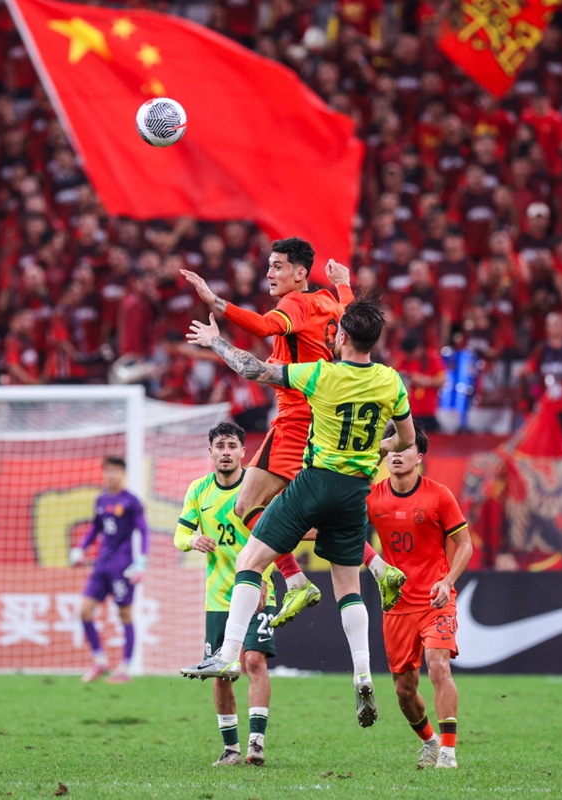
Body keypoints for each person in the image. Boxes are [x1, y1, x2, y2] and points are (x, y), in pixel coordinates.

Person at [182, 296, 415, 728]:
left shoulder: (320, 375)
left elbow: (254, 369)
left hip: (316, 481)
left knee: (251, 559)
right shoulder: (390, 381)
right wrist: (375, 448)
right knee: (348, 585)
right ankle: (362, 672)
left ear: (341, 337)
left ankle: (227, 655)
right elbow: (406, 439)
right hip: (356, 491)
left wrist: (216, 341)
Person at [180, 239, 405, 629]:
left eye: (278, 267)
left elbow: (266, 326)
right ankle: (377, 566)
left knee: (245, 507)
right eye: (269, 266)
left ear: (300, 274)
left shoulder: (295, 304)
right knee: (314, 515)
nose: (270, 274)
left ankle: (295, 579)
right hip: (322, 420)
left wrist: (216, 304)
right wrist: (344, 285)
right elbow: (354, 319)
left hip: (295, 420)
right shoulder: (329, 303)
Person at [367, 426, 472, 769]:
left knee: (439, 666)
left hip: (434, 599)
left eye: (405, 447)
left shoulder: (439, 495)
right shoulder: (371, 496)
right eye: (392, 447)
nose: (397, 453)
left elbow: (465, 545)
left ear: (419, 456)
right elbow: (342, 534)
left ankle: (448, 752)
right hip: (396, 605)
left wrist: (448, 580)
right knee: (404, 691)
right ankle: (430, 741)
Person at [175, 421, 277, 767]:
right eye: (220, 446)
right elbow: (179, 535)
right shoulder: (199, 490)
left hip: (259, 586)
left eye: (232, 445)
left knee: (253, 661)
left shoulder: (259, 486)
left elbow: (279, 537)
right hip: (218, 597)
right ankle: (231, 749)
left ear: (242, 451)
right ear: (210, 452)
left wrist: (262, 574)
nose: (226, 452)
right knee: (221, 671)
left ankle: (256, 744)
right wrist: (192, 540)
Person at [69, 456, 148, 684]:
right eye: (108, 471)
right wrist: (81, 548)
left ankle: (125, 668)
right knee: (84, 612)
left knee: (124, 615)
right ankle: (100, 661)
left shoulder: (132, 501)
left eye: (117, 471)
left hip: (122, 567)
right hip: (101, 565)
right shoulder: (101, 500)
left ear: (123, 474)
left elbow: (143, 531)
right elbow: (96, 528)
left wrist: (141, 560)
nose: (112, 475)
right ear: (103, 473)